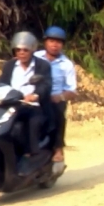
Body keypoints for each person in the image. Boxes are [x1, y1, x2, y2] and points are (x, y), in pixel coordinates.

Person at [0, 31, 52, 158]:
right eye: (18, 50)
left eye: (25, 50)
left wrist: (35, 94)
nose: (21, 53)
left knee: (33, 122)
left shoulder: (42, 65)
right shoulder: (10, 65)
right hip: (12, 104)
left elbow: (45, 84)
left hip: (33, 105)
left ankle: (32, 154)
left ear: (32, 50)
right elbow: (1, 81)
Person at [34, 26, 77, 164]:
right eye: (51, 41)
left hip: (54, 99)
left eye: (58, 42)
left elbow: (72, 90)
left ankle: (58, 147)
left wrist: (60, 97)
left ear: (62, 45)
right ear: (45, 42)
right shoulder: (35, 57)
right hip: (34, 96)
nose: (54, 45)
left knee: (58, 114)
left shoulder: (66, 64)